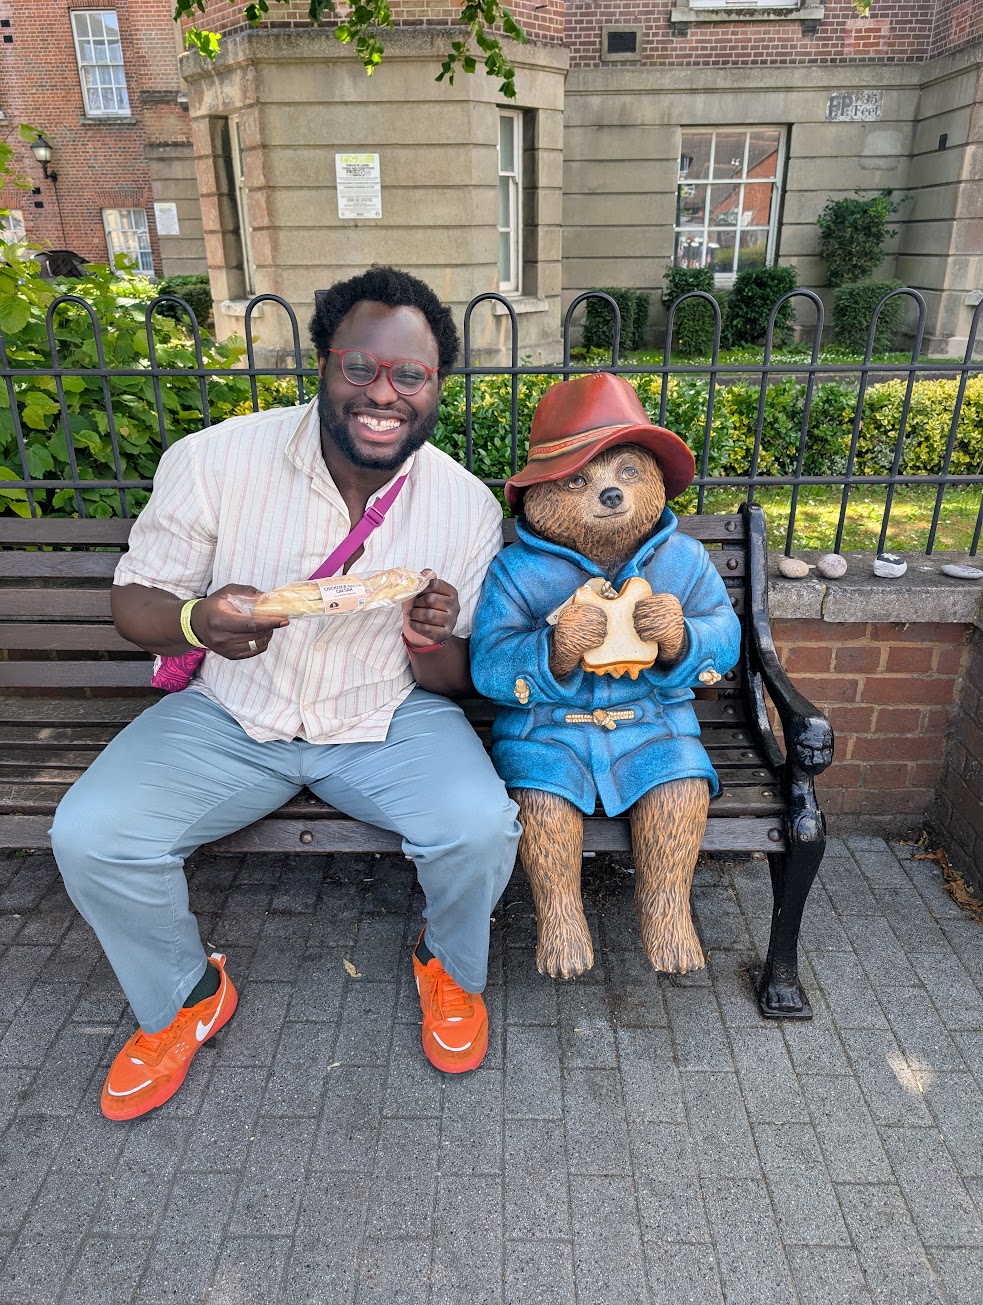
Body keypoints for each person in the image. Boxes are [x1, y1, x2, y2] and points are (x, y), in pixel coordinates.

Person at [51, 266, 520, 1120]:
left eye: (408, 375)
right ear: (324, 364)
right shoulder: (216, 459)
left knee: (479, 828)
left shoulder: (465, 505)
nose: (383, 392)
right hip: (234, 708)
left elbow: (457, 677)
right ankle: (185, 997)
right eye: (360, 367)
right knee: (91, 835)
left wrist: (432, 638)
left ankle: (448, 965)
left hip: (382, 715)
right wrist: (198, 621)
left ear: (435, 386)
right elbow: (135, 600)